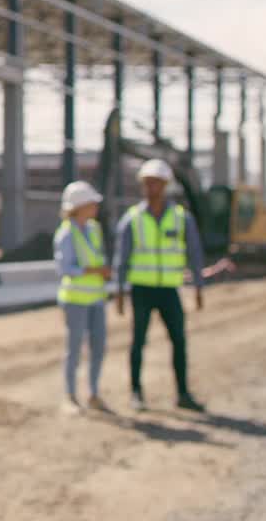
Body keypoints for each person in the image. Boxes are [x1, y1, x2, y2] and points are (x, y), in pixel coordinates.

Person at [113, 159, 207, 413]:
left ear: (165, 185)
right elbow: (121, 259)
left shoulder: (181, 218)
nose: (151, 188)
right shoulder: (132, 219)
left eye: (155, 183)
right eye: (147, 183)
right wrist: (120, 292)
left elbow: (194, 253)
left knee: (179, 341)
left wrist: (199, 287)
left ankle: (183, 393)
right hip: (142, 289)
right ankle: (136, 392)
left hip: (169, 290)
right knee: (138, 342)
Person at [53, 181, 111, 415]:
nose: (95, 207)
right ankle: (70, 396)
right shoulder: (66, 233)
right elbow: (64, 268)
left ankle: (94, 394)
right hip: (75, 300)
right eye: (91, 203)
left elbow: (97, 257)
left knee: (98, 348)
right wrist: (94, 271)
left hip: (96, 298)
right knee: (74, 349)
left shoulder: (94, 229)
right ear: (79, 206)